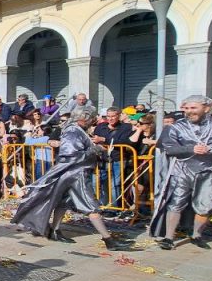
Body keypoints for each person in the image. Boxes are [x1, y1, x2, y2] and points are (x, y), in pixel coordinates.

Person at [11, 105, 133, 251]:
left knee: (64, 202)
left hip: (74, 173)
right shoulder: (73, 130)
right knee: (91, 206)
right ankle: (109, 240)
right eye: (93, 117)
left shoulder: (76, 130)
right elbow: (71, 155)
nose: (94, 120)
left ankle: (55, 230)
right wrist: (96, 149)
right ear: (84, 118)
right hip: (76, 174)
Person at [150, 95, 212, 250]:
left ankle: (196, 235)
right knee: (176, 202)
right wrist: (189, 149)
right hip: (182, 169)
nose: (189, 111)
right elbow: (167, 147)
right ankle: (168, 237)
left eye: (193, 108)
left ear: (206, 108)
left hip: (211, 170)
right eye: (186, 108)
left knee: (205, 205)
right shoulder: (176, 127)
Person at [93, 107, 134, 208]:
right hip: (101, 159)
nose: (110, 119)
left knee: (115, 185)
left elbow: (125, 141)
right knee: (97, 183)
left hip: (117, 159)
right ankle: (101, 206)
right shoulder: (101, 126)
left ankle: (114, 208)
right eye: (108, 116)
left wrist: (104, 139)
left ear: (119, 116)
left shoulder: (126, 127)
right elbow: (95, 139)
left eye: (113, 116)